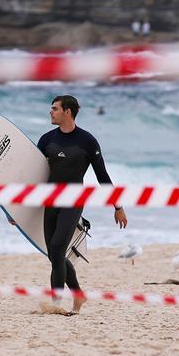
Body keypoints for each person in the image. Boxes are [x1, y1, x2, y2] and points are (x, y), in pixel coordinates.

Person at [37, 95, 127, 314]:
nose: (51, 112)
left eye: (55, 109)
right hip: (50, 201)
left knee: (58, 248)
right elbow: (34, 176)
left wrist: (117, 206)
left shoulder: (87, 141)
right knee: (54, 254)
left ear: (67, 112)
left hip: (74, 201)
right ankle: (78, 295)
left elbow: (102, 176)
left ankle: (55, 304)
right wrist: (16, 210)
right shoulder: (46, 140)